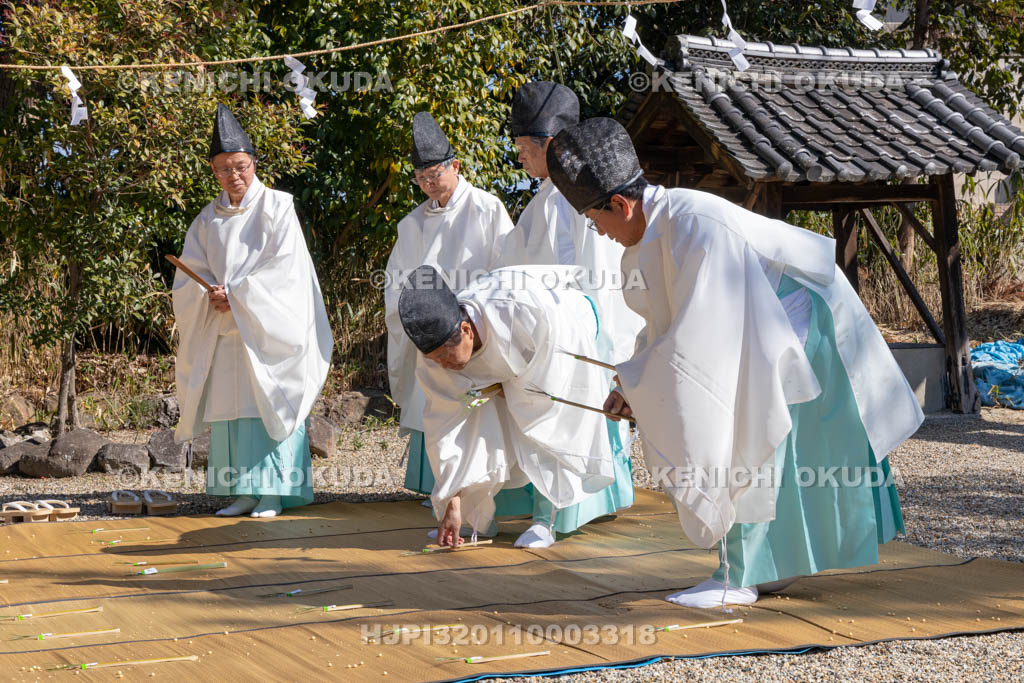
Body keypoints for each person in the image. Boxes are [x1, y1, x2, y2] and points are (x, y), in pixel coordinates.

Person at [547, 117, 924, 607]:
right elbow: (670, 326)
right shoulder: (655, 230)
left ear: (621, 203)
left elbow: (701, 346)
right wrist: (632, 383)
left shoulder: (694, 225)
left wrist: (643, 386)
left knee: (750, 433)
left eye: (597, 222)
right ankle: (762, 566)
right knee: (776, 449)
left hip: (798, 318)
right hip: (764, 320)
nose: (600, 234)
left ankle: (739, 575)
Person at [494, 81, 645, 540]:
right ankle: (570, 502)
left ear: (549, 146)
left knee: (563, 411)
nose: (519, 157)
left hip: (579, 326)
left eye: (524, 147)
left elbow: (589, 271)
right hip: (549, 325)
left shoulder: (574, 198)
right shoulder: (543, 199)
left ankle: (555, 514)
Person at [173, 104, 333, 518]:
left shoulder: (279, 207)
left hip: (267, 329)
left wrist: (239, 294)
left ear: (254, 163)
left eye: (240, 166)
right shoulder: (208, 219)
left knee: (270, 404)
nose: (234, 176)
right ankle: (243, 491)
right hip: (226, 329)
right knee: (232, 411)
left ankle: (275, 493)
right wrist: (208, 292)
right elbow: (194, 272)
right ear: (213, 170)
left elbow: (287, 270)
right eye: (224, 169)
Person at [398, 264, 618, 548]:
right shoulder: (434, 358)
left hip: (564, 336)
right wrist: (452, 502)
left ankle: (546, 521)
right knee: (482, 420)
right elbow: (445, 427)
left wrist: (511, 390)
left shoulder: (520, 309)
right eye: (434, 359)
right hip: (508, 373)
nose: (443, 365)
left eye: (444, 356)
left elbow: (551, 383)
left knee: (541, 423)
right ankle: (478, 518)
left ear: (466, 330)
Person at [384, 112, 515, 503]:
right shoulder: (411, 225)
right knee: (434, 400)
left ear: (455, 166)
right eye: (420, 178)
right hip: (433, 333)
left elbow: (505, 270)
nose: (427, 183)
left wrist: (474, 313)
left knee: (479, 404)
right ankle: (438, 486)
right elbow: (398, 280)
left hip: (474, 329)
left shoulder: (487, 208)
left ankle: (482, 490)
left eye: (434, 175)